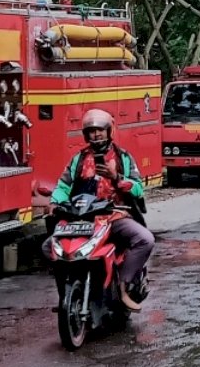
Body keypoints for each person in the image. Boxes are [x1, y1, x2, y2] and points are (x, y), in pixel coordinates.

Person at [42, 109, 154, 312]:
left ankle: (123, 289)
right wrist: (54, 202)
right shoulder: (78, 159)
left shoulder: (123, 158)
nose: (96, 135)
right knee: (49, 247)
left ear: (109, 131)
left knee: (145, 239)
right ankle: (64, 297)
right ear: (86, 135)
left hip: (114, 216)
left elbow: (138, 188)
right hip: (81, 218)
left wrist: (117, 178)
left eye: (100, 130)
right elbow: (63, 186)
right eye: (91, 131)